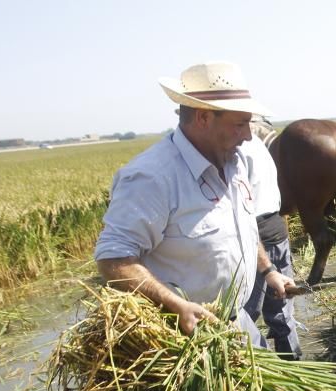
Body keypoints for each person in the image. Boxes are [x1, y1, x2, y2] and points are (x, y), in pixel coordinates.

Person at [94, 61, 295, 339]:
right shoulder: (152, 178)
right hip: (188, 337)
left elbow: (242, 227)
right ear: (203, 118)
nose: (248, 135)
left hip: (239, 324)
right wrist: (174, 305)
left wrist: (269, 270)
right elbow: (113, 259)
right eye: (240, 124)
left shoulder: (236, 163)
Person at [240, 132, 302, 358]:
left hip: (256, 239)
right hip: (277, 232)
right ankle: (293, 364)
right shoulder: (257, 144)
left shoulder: (234, 151)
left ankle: (258, 371)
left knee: (245, 313)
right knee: (282, 310)